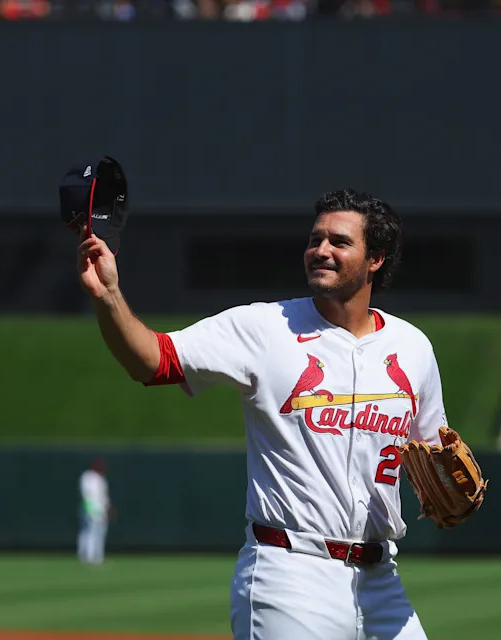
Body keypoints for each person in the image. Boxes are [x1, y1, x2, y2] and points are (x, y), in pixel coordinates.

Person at [76, 189, 450, 639]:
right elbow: (154, 360)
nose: (321, 251)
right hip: (291, 575)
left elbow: (434, 451)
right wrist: (109, 295)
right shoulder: (265, 328)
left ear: (376, 259)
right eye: (315, 239)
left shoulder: (413, 348)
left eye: (339, 242)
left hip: (382, 579)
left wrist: (445, 485)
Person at [78, 458, 111, 565]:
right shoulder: (87, 477)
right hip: (90, 508)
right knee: (90, 532)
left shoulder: (101, 479)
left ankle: (98, 556)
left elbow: (103, 496)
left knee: (99, 533)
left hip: (100, 508)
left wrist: (106, 508)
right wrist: (91, 510)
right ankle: (89, 556)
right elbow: (88, 496)